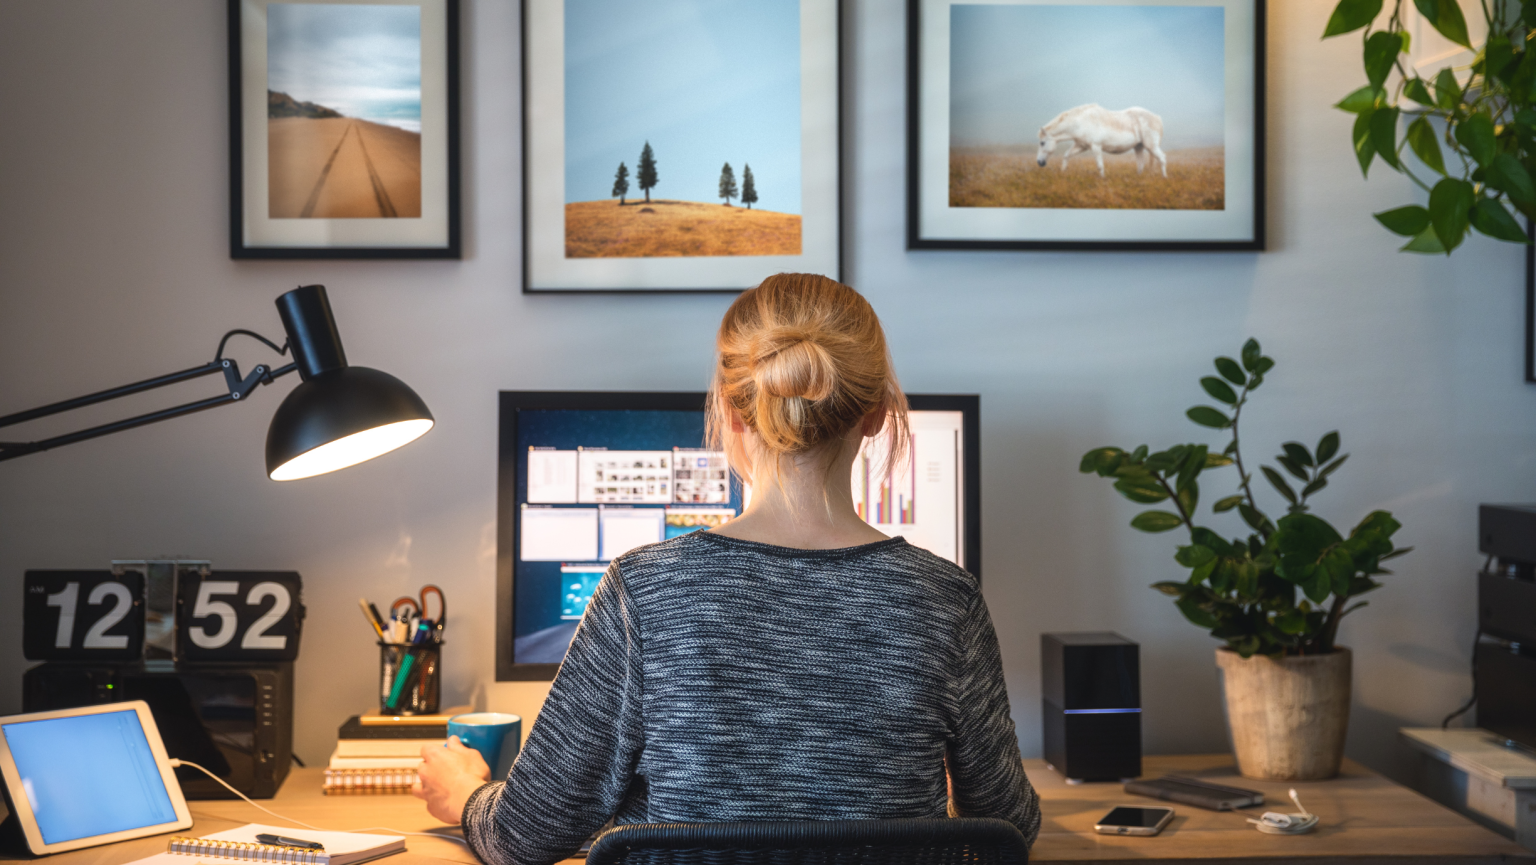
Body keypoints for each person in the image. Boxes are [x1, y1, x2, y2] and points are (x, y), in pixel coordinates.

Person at [415, 273, 1041, 864]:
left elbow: (527, 835)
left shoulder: (645, 590)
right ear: (877, 414)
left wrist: (465, 795)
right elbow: (1008, 824)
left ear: (732, 413)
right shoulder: (945, 598)